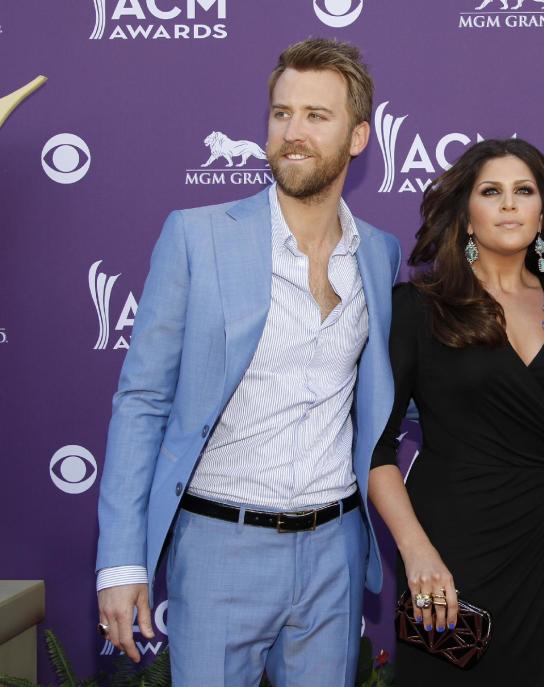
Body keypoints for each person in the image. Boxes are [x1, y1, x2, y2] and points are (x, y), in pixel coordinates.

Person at [94, 38, 401, 686]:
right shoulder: (196, 236)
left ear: (358, 136)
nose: (293, 133)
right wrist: (121, 561)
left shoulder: (379, 254)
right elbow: (143, 400)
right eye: (281, 113)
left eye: (317, 116)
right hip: (219, 548)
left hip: (335, 551)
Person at [369, 138, 544, 685]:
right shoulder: (420, 308)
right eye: (492, 192)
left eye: (524, 191)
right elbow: (376, 446)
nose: (510, 204)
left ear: (543, 212)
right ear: (467, 216)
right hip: (449, 545)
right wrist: (416, 551)